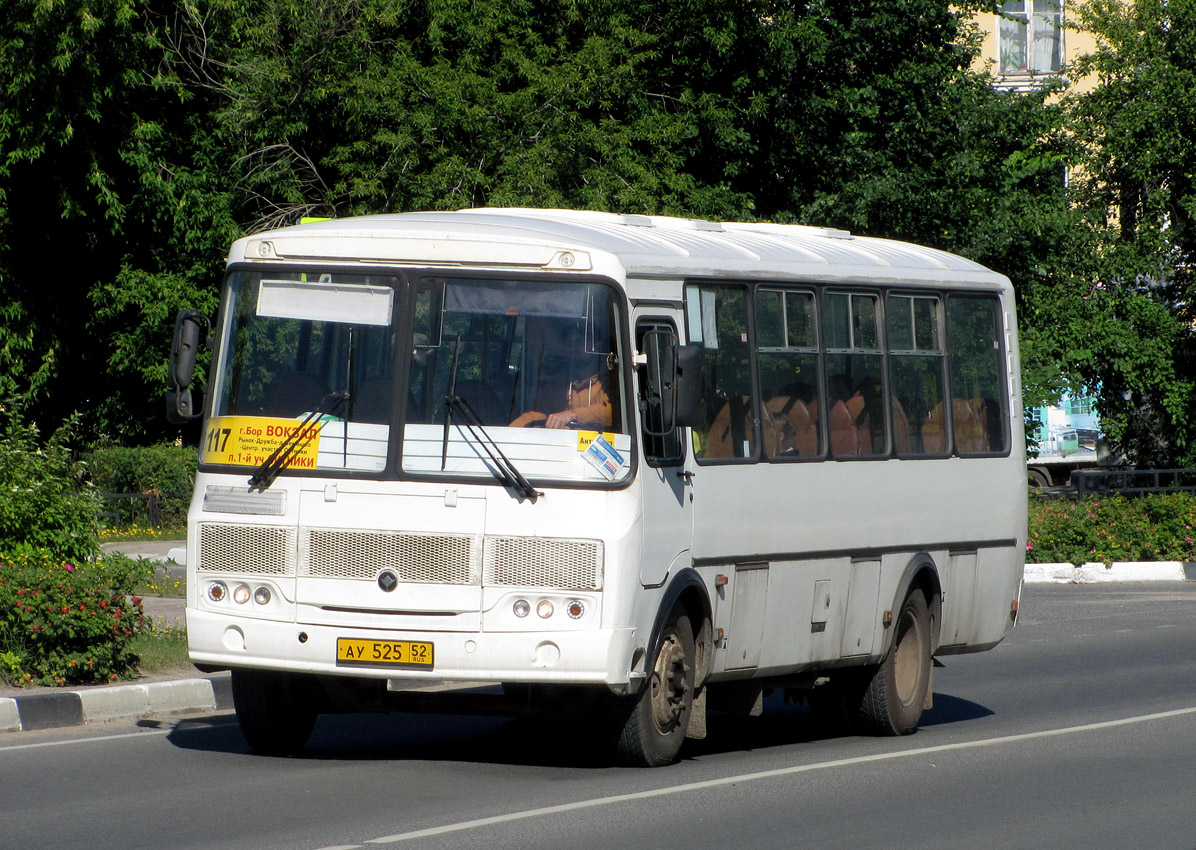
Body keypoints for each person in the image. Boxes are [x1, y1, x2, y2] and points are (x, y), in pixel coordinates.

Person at [510, 323, 612, 429]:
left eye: (580, 342)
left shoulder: (609, 381)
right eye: (569, 343)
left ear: (598, 346)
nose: (573, 348)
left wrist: (573, 414)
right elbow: (539, 414)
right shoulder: (559, 382)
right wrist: (507, 434)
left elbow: (611, 412)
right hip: (563, 443)